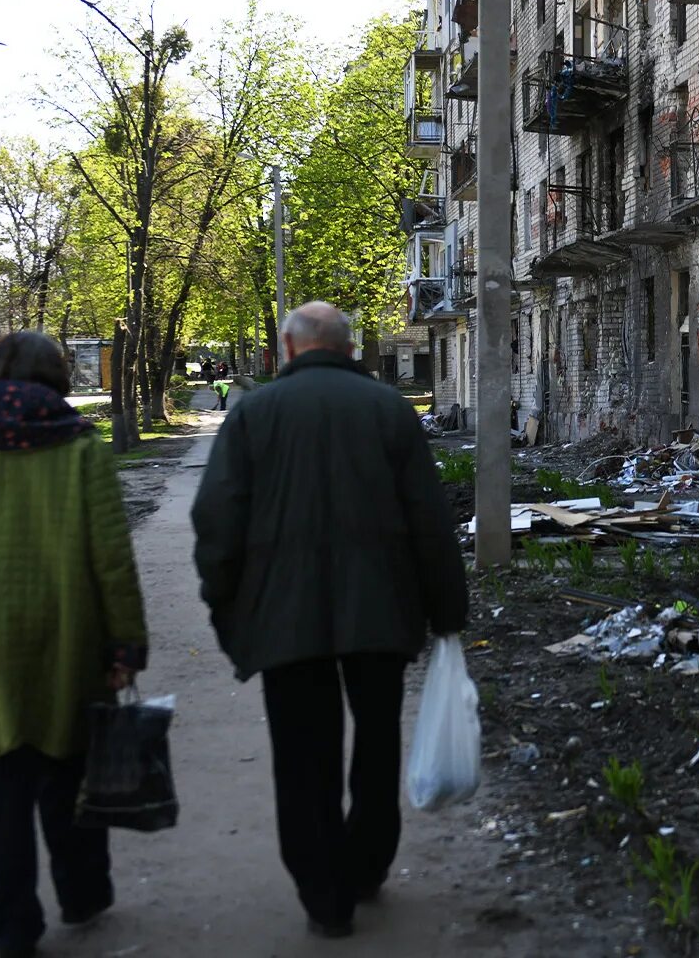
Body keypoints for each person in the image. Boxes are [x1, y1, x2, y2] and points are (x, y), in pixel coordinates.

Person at [191, 302, 466, 939]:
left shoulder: (252, 414)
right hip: (382, 609)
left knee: (302, 753)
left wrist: (227, 606)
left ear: (288, 351)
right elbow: (430, 521)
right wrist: (446, 610)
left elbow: (217, 522)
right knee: (376, 740)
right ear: (348, 351)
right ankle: (367, 864)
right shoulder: (391, 412)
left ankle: (324, 894)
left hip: (283, 618)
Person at [0, 331, 149, 958]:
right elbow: (112, 557)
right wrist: (126, 645)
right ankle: (83, 892)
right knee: (69, 767)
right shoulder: (80, 450)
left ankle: (14, 926)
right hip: (71, 626)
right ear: (59, 375)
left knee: (1, 778)